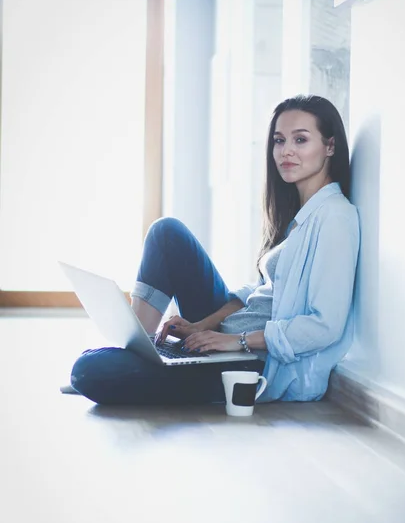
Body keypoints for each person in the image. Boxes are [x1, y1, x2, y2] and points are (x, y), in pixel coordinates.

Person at [70, 94, 360, 405]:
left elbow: (325, 326)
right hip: (225, 338)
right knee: (167, 233)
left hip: (250, 365)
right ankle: (143, 349)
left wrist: (236, 342)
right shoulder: (302, 217)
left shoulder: (335, 217)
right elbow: (260, 292)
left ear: (329, 146)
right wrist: (203, 326)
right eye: (279, 140)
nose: (286, 151)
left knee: (89, 369)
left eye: (300, 140)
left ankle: (138, 361)